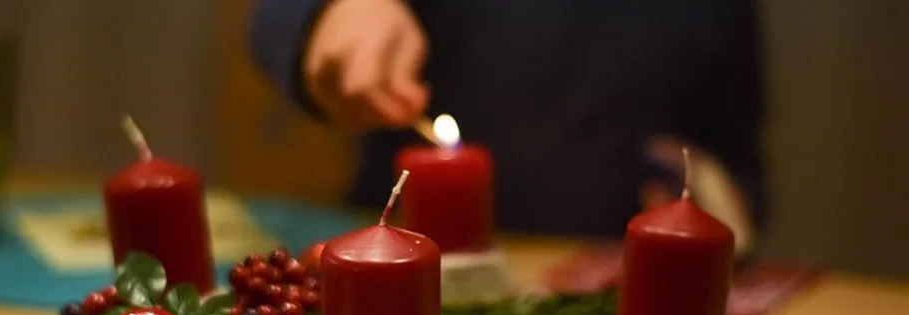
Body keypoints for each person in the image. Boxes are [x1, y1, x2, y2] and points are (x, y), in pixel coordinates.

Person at [249, 0, 764, 239]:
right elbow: (280, 17)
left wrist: (720, 197)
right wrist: (332, 11)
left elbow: (732, 142)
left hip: (608, 280)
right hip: (405, 262)